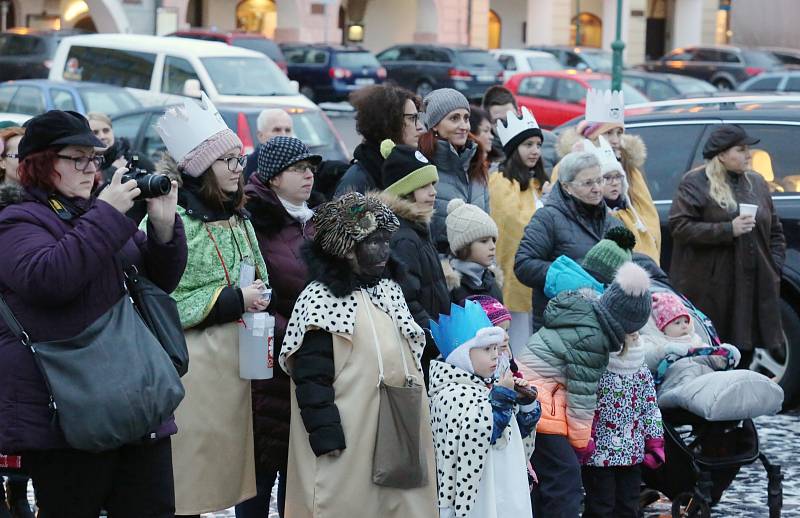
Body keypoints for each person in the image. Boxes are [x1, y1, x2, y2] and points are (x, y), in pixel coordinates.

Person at [0, 110, 187, 516]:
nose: (90, 169)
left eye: (95, 158)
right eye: (77, 159)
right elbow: (49, 279)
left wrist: (163, 227)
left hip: (135, 400)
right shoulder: (16, 221)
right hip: (70, 413)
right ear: (41, 162)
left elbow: (158, 282)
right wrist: (108, 214)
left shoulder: (93, 214)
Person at [279, 192, 437, 517]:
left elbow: (412, 348)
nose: (383, 250)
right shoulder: (321, 300)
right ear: (347, 249)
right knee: (345, 502)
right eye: (372, 242)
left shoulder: (390, 290)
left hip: (397, 428)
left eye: (385, 240)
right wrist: (325, 432)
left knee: (398, 504)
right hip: (348, 434)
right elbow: (312, 376)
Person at [153, 95, 270, 517]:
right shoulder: (174, 222)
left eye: (241, 160)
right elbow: (164, 300)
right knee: (191, 476)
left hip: (241, 360)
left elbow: (259, 274)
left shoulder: (241, 218)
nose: (240, 171)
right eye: (230, 162)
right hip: (195, 364)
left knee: (227, 475)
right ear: (203, 169)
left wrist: (258, 296)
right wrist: (231, 299)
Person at [514, 262, 653, 518]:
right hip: (542, 402)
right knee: (566, 478)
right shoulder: (593, 339)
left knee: (544, 477)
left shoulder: (585, 320)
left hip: (531, 395)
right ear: (626, 323)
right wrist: (580, 445)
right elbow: (582, 397)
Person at [237, 136, 323, 518]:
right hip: (266, 368)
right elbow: (251, 297)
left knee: (301, 480)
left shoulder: (314, 222)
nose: (309, 176)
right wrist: (302, 330)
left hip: (311, 368)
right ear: (272, 178)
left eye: (311, 169)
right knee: (259, 477)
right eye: (299, 169)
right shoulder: (254, 223)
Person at [669, 124, 786, 363]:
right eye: (740, 150)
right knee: (717, 352)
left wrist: (774, 266)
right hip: (713, 286)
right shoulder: (695, 183)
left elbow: (775, 231)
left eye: (747, 149)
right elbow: (680, 227)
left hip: (754, 284)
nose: (748, 155)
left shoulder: (756, 182)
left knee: (748, 349)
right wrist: (728, 229)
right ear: (721, 155)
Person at [428, 300, 540, 518]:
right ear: (463, 354)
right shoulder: (449, 394)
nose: (495, 355)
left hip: (506, 488)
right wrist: (502, 397)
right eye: (486, 349)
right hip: (480, 497)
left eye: (496, 348)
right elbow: (481, 434)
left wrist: (526, 404)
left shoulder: (489, 386)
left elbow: (514, 436)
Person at [514, 151, 623, 330]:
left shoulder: (613, 223)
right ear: (566, 187)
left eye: (599, 180)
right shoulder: (547, 218)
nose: (597, 188)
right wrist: (569, 275)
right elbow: (523, 264)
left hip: (604, 325)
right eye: (588, 183)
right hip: (560, 327)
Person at [553, 89, 661, 263]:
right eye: (608, 133)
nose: (616, 140)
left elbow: (648, 216)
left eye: (619, 133)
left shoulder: (629, 167)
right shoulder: (567, 167)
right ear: (592, 135)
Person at [378, 139, 450, 382]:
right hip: (422, 352)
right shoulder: (404, 238)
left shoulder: (416, 229)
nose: (433, 192)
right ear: (404, 192)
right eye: (424, 186)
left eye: (433, 184)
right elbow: (407, 300)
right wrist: (437, 339)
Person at [581, 332, 664, 518]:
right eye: (629, 332)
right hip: (599, 455)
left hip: (631, 453)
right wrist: (583, 438)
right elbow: (584, 404)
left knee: (629, 505)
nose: (635, 335)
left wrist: (655, 441)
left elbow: (650, 408)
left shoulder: (641, 370)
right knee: (601, 505)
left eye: (636, 332)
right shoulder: (599, 367)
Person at [490, 107, 550, 354]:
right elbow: (511, 222)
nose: (535, 150)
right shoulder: (501, 182)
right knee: (517, 342)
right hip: (515, 274)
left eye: (538, 144)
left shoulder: (540, 183)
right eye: (528, 144)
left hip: (541, 275)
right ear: (515, 149)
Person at [418, 88, 489, 251]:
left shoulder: (476, 164)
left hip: (478, 271)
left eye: (466, 118)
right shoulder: (423, 170)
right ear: (435, 125)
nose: (464, 126)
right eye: (454, 118)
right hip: (443, 271)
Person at [335, 85, 423, 195]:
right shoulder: (357, 183)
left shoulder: (409, 167)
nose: (420, 127)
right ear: (388, 122)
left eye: (417, 118)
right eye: (412, 118)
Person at [642, 292, 741, 376]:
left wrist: (725, 354)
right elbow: (644, 360)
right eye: (677, 323)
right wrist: (664, 350)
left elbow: (712, 360)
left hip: (702, 378)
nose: (684, 326)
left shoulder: (695, 340)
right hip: (674, 382)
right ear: (662, 328)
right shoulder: (655, 341)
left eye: (686, 321)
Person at [88, 112, 155, 223]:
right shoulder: (84, 167)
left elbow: (156, 181)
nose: (102, 136)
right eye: (95, 132)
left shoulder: (134, 158)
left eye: (106, 130)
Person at [441, 198, 503, 304]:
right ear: (464, 246)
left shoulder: (492, 280)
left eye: (493, 240)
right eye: (484, 241)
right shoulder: (450, 287)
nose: (492, 246)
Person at [243, 108, 293, 180]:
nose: (284, 135)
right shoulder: (245, 168)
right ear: (261, 136)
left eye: (287, 130)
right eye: (277, 130)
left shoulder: (301, 165)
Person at [469, 106, 501, 172]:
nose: (491, 137)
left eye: (490, 131)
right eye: (486, 131)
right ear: (471, 133)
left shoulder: (496, 168)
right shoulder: (462, 169)